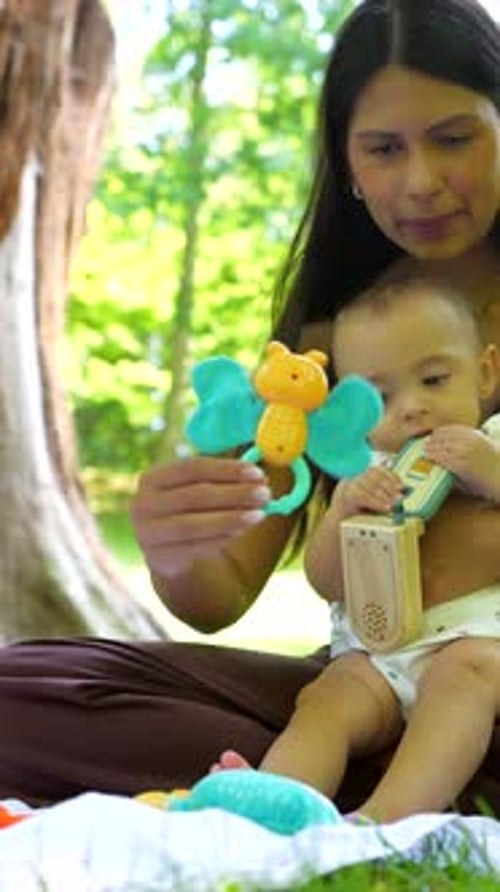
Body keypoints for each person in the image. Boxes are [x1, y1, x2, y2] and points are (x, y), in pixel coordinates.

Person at [0, 0, 499, 812]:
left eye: (453, 138)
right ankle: (333, 799)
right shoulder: (326, 345)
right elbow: (219, 595)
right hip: (364, 691)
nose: (421, 180)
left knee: (462, 688)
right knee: (21, 688)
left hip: (484, 677)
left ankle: (368, 795)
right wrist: (177, 544)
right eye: (383, 148)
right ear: (346, 164)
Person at [213, 277, 500, 822]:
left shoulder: (494, 440)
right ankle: (272, 805)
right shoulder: (365, 471)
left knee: (465, 676)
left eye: (435, 380)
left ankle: (383, 823)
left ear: (485, 372)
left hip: (479, 648)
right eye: (382, 398)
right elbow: (326, 583)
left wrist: (489, 470)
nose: (414, 409)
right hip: (378, 656)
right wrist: (344, 513)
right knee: (324, 700)